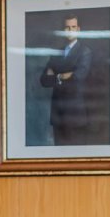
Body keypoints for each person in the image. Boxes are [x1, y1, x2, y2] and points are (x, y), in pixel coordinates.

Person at [38, 14, 93, 145]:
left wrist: (56, 75)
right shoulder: (57, 52)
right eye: (67, 27)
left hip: (75, 115)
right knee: (59, 156)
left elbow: (78, 77)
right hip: (58, 114)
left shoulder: (85, 52)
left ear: (78, 29)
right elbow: (44, 80)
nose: (70, 30)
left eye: (73, 27)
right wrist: (63, 75)